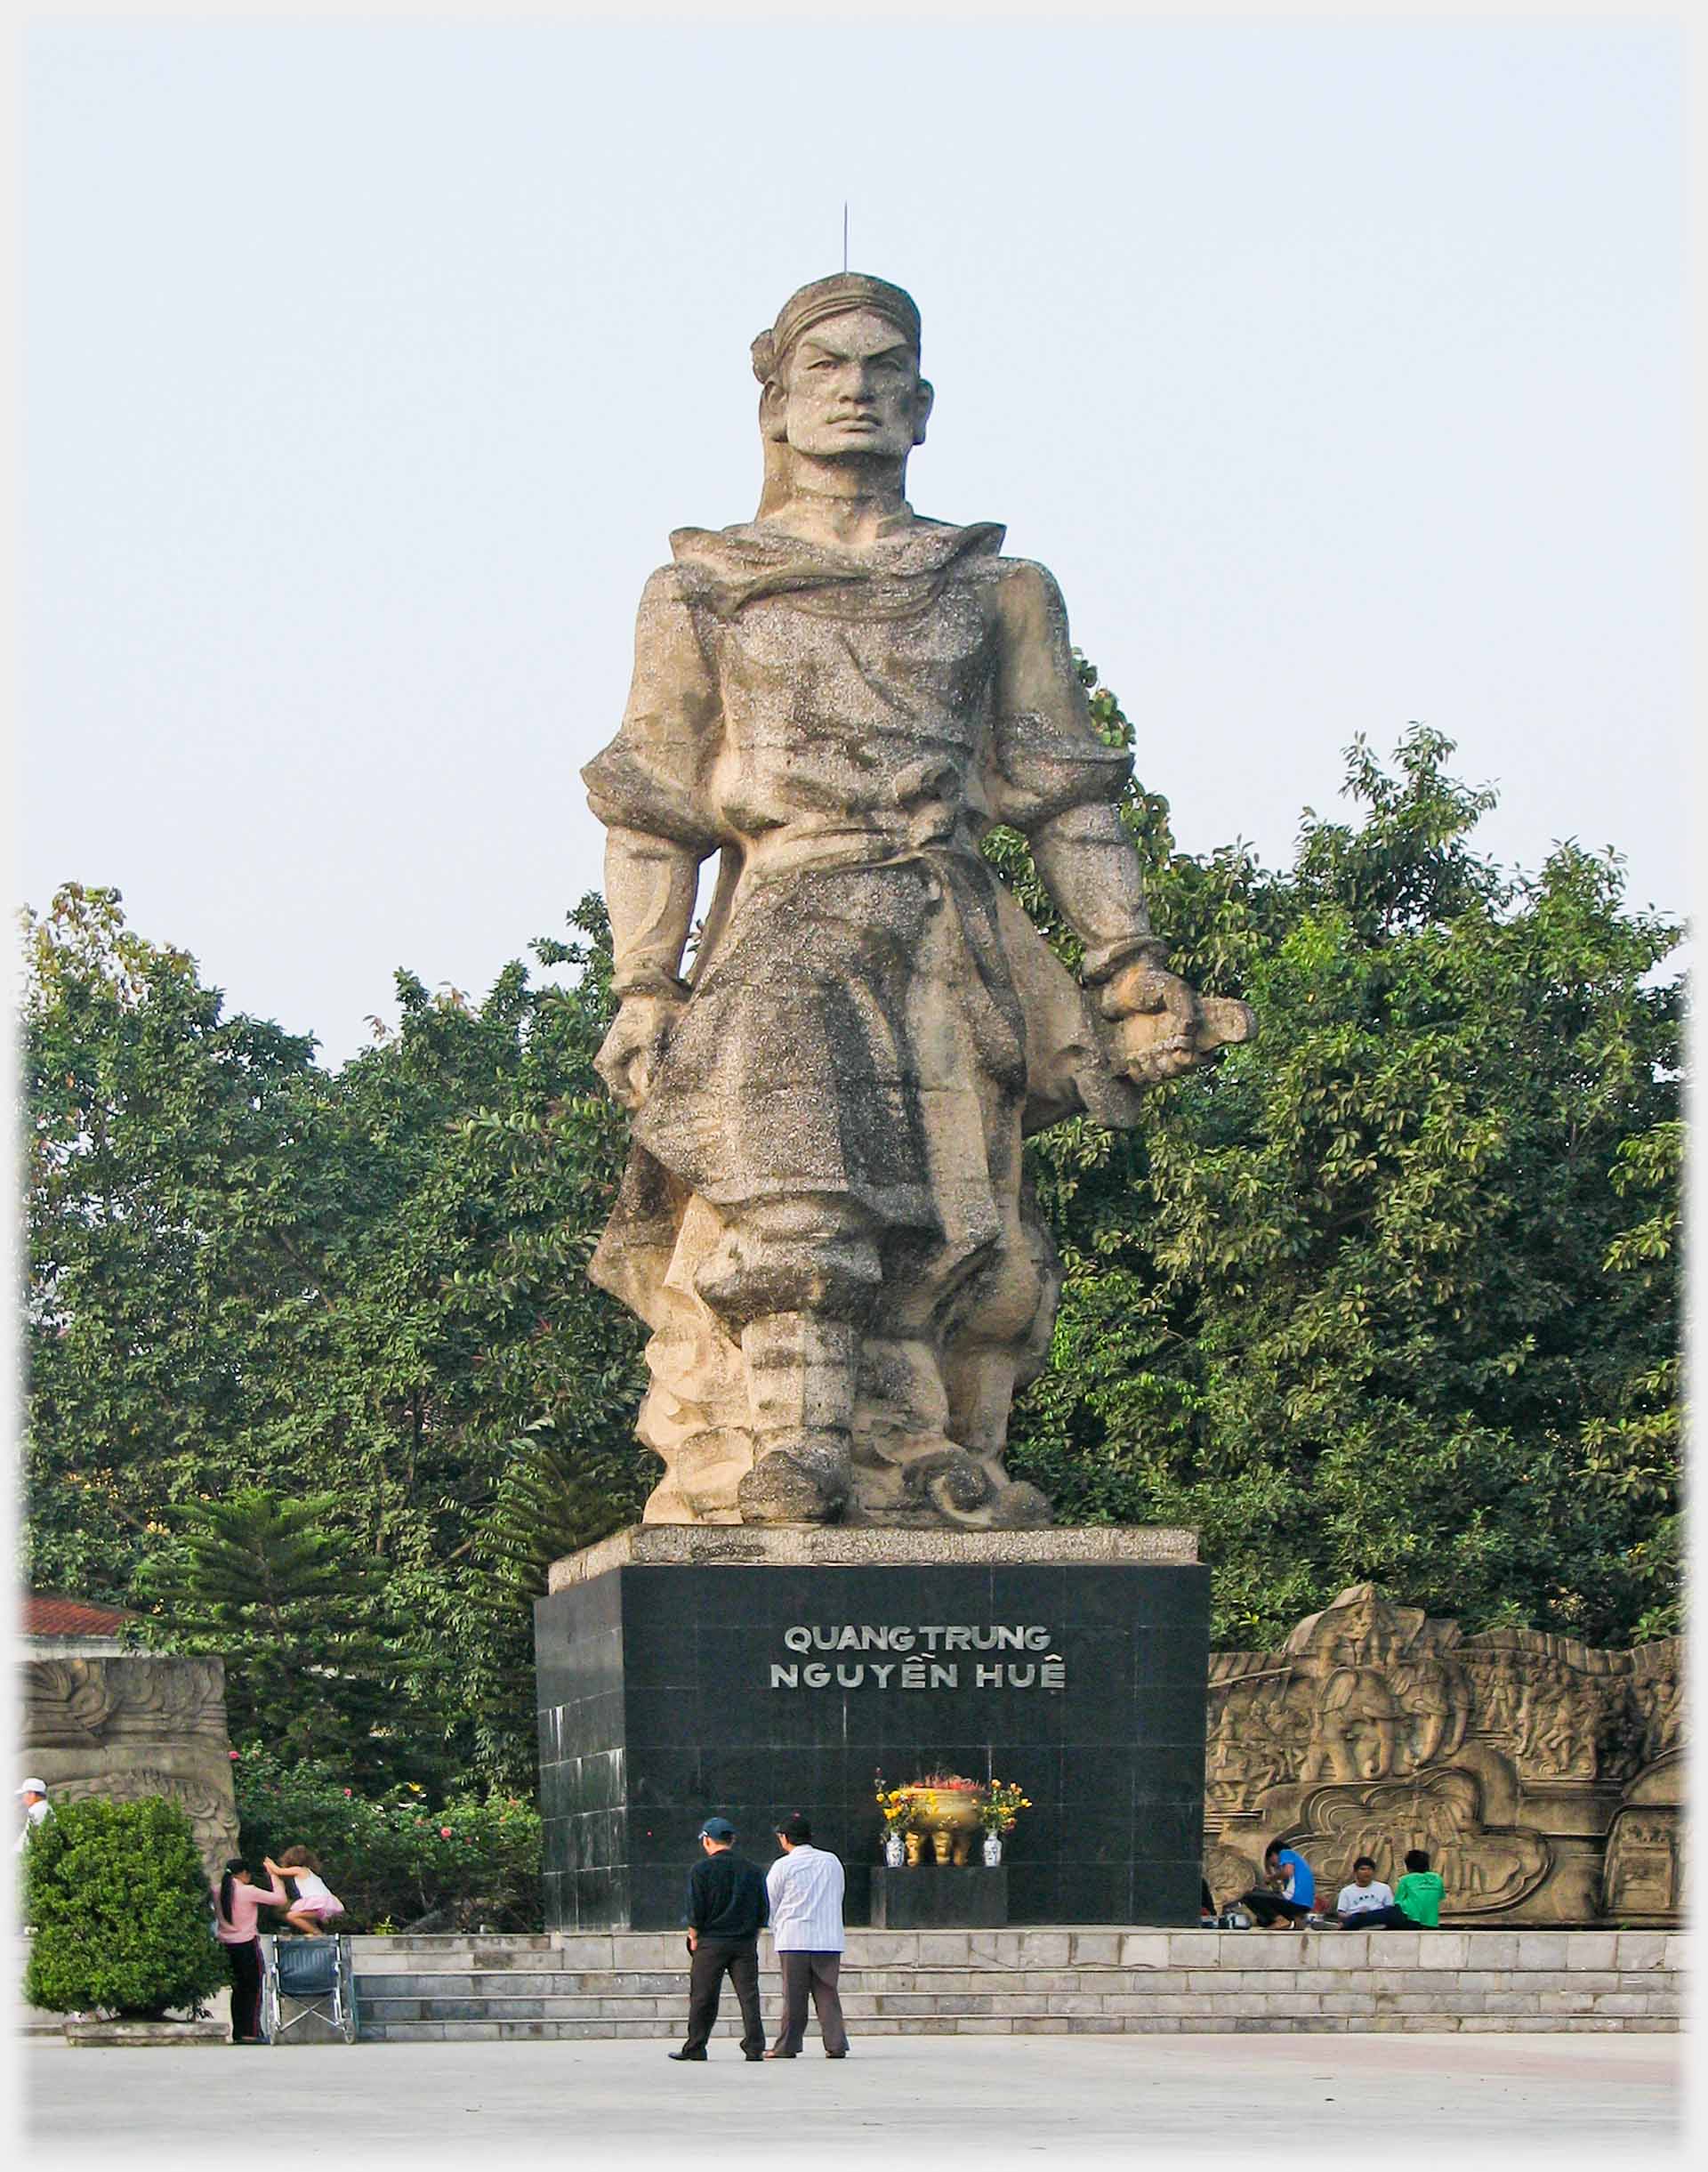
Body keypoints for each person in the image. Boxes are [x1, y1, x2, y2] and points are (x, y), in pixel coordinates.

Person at [582, 270, 1248, 1533]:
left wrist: (1125, 961)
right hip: (785, 917)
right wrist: (643, 985)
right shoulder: (705, 587)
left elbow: (1065, 792)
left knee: (955, 1236)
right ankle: (789, 1457)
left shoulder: (998, 586)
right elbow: (655, 805)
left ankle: (925, 1466)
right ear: (776, 403)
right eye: (827, 367)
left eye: (885, 369)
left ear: (924, 404)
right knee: (793, 1187)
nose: (858, 390)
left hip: (941, 932)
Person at [669, 1816, 769, 2063]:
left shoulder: (701, 1870)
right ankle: (754, 2046)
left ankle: (696, 2046)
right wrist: (752, 1936)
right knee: (748, 1995)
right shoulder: (753, 1870)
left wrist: (693, 1936)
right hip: (744, 1942)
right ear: (732, 1840)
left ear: (706, 1840)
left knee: (703, 1996)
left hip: (711, 1942)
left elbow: (696, 1909)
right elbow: (762, 1910)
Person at [763, 1813, 848, 2059]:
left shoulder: (783, 1866)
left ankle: (787, 2045)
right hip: (828, 1938)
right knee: (827, 1992)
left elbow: (770, 1900)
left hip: (794, 1938)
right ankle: (836, 2043)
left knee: (794, 1995)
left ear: (785, 1838)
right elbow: (838, 1893)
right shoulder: (831, 1861)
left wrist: (773, 1927)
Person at [214, 1857, 288, 2043]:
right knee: (253, 1990)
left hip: (226, 1945)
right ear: (244, 1874)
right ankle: (250, 2032)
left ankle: (239, 2031)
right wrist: (275, 1877)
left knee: (238, 1989)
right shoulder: (248, 1891)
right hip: (246, 1943)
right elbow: (280, 1899)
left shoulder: (216, 1890)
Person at [1358, 1848, 1446, 1929]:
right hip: (1432, 1923)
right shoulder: (1437, 1878)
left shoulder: (1406, 1879)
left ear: (1409, 1866)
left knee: (1380, 1915)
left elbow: (1397, 1902)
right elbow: (1440, 1897)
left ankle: (1351, 1921)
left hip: (1411, 1921)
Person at [266, 1846, 344, 1934]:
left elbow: (278, 1871)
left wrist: (268, 1862)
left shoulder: (299, 1870)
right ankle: (317, 1932)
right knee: (305, 1918)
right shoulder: (310, 1872)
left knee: (291, 1916)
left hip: (318, 1903)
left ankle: (318, 1933)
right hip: (325, 1904)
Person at [1240, 1839, 1317, 1926]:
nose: (1277, 1867)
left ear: (1273, 1854)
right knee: (1263, 1921)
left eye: (1273, 1864)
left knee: (1248, 1895)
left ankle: (1280, 1920)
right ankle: (1294, 1921)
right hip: (1304, 1905)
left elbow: (1287, 1872)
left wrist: (1270, 1878)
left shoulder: (1286, 1852)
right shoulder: (1298, 1863)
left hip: (1295, 1901)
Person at [1327, 1854, 1395, 1924]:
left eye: (1369, 1869)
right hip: (1355, 1920)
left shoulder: (1384, 1888)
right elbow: (1341, 1913)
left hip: (1378, 1920)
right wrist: (1356, 1915)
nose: (1366, 1872)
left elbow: (1389, 1909)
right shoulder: (1346, 1891)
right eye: (1363, 1869)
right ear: (1355, 1872)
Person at [16, 1778, 53, 1853]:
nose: (23, 1799)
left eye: (24, 1795)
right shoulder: (45, 1807)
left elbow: (27, 1839)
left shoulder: (36, 1810)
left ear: (32, 1794)